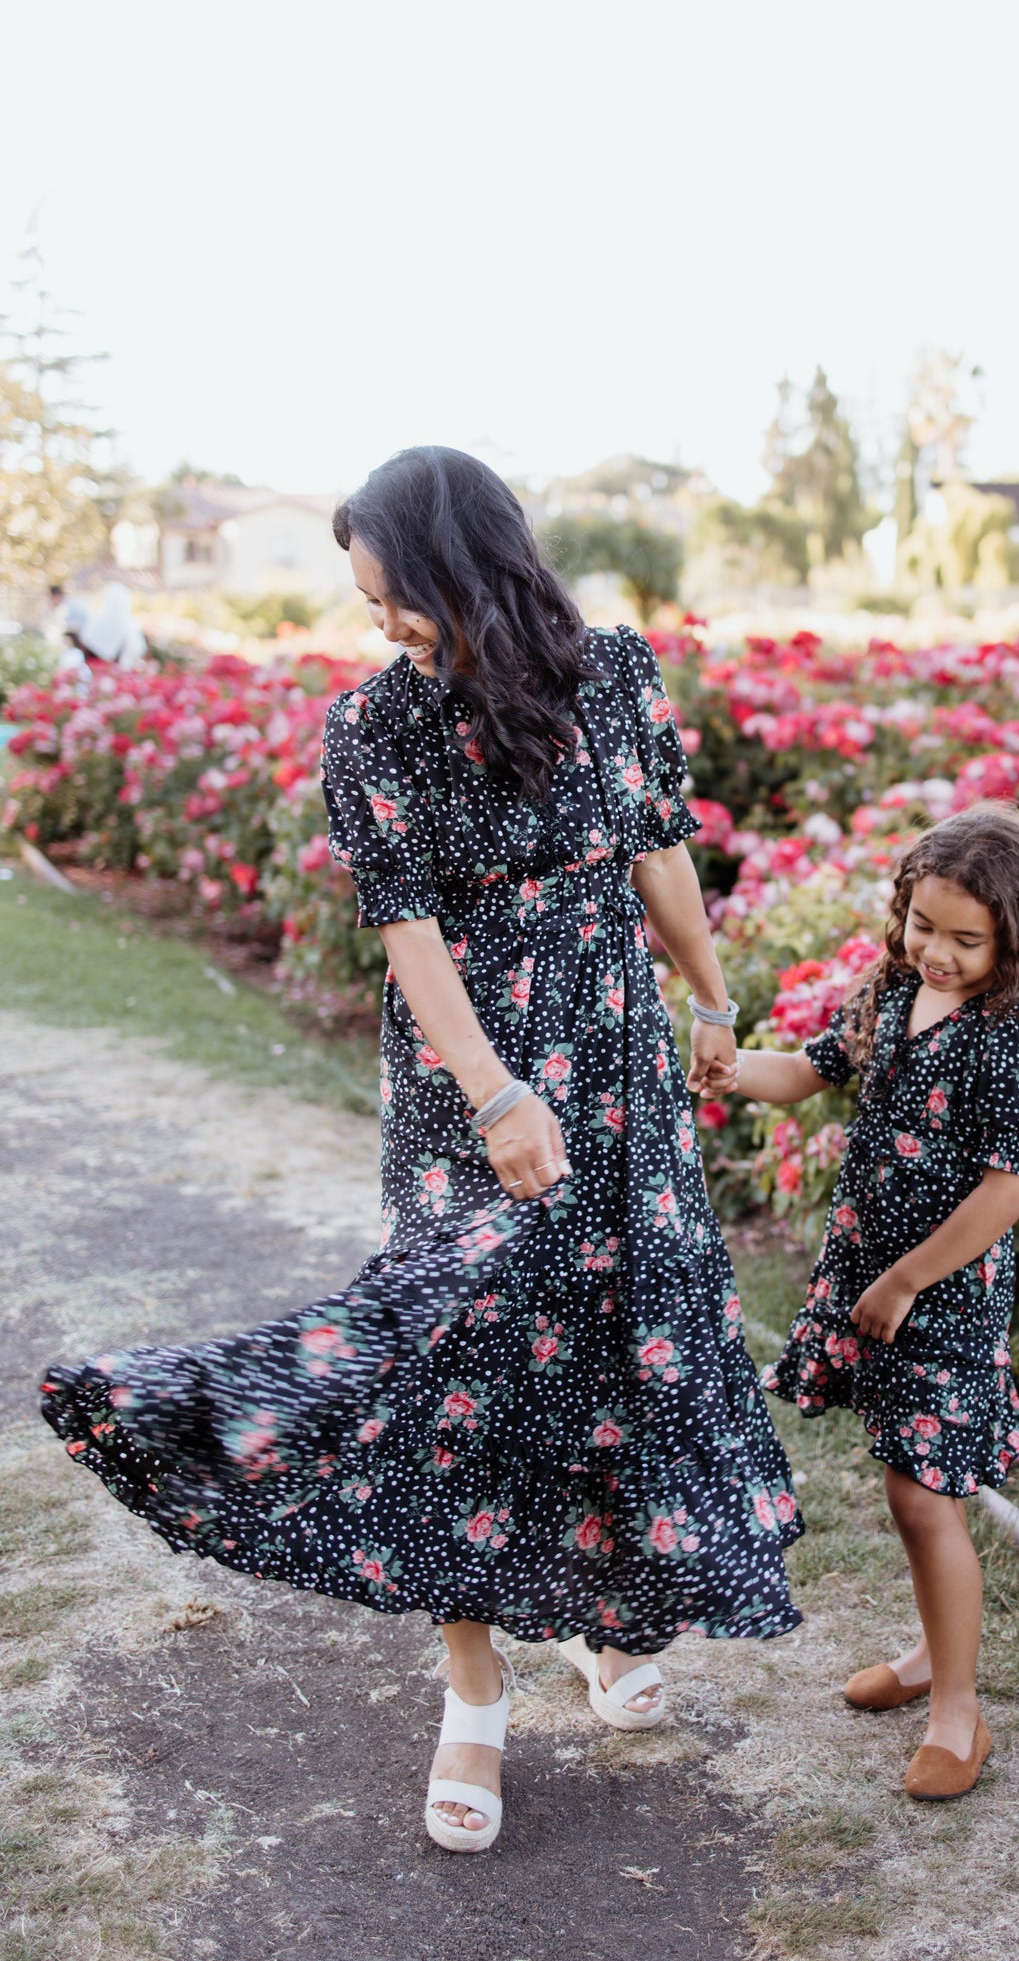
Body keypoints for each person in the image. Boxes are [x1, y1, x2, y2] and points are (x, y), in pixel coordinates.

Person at [41, 447, 802, 1855]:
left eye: (395, 596)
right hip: (479, 1075)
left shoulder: (612, 673)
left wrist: (709, 1001)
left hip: (623, 1058)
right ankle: (472, 1682)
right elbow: (406, 929)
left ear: (470, 571)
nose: (378, 622)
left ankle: (594, 1619)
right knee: (459, 1355)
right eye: (365, 600)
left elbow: (656, 852)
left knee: (616, 1341)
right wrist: (500, 1095)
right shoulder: (373, 728)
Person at [702, 804, 1019, 1802]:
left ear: (1013, 937)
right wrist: (725, 1067)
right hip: (872, 1277)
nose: (938, 951)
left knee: (925, 1494)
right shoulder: (885, 991)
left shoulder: (1007, 1041)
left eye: (966, 938)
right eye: (924, 924)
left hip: (939, 1297)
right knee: (904, 1485)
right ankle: (926, 1654)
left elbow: (1006, 1188)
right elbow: (804, 1072)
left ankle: (956, 1708)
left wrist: (908, 1276)